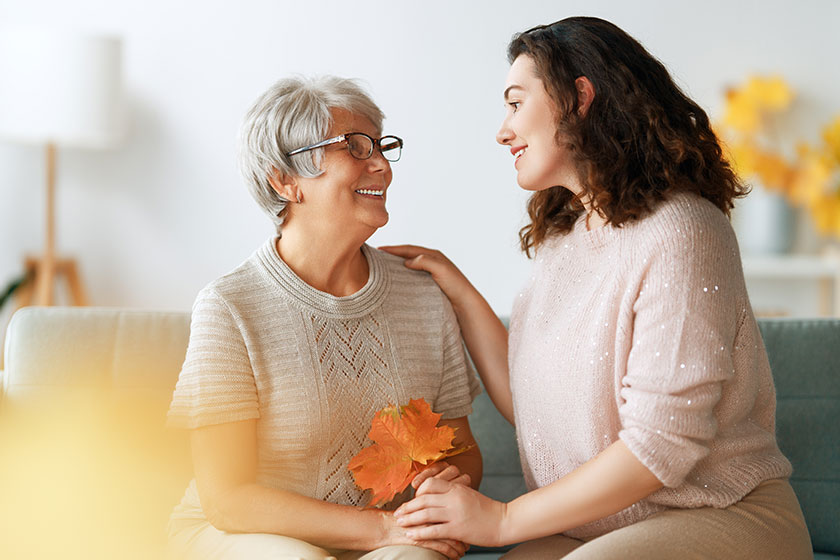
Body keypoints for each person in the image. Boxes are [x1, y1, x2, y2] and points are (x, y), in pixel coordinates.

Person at [383, 16, 812, 559]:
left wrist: (503, 519)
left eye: (516, 103)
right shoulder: (565, 240)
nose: (503, 131)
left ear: (579, 98)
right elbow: (536, 410)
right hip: (604, 529)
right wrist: (459, 291)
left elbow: (661, 443)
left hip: (720, 514)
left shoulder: (683, 231)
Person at [165, 76, 482, 560]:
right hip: (241, 535)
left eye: (381, 146)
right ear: (284, 180)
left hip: (389, 537)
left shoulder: (422, 295)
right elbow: (227, 501)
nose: (381, 165)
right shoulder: (229, 307)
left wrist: (446, 482)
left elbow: (462, 451)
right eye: (354, 147)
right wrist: (381, 528)